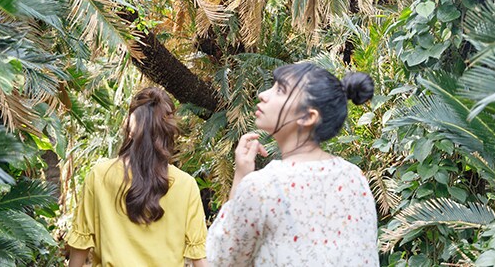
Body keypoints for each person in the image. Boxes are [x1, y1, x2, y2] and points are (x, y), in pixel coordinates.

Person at [206, 62, 378, 266]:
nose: (263, 94)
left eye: (280, 90)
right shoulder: (354, 177)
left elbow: (221, 259)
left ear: (308, 117)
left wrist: (241, 177)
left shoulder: (263, 186)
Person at [66, 87, 208, 267]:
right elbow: (199, 257)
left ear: (129, 127)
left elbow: (81, 245)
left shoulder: (100, 176)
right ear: (168, 131)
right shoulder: (185, 184)